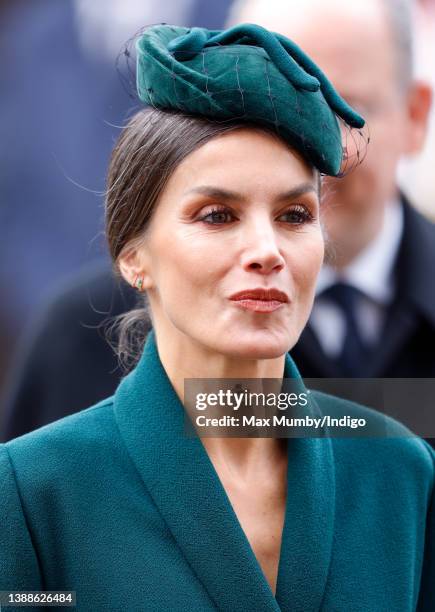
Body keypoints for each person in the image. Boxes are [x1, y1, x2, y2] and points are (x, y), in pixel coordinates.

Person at [1, 24, 434, 610]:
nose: (267, 250)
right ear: (134, 257)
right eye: (216, 215)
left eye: (295, 215)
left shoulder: (399, 473)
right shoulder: (34, 491)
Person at [3, 0, 435, 442]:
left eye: (342, 108)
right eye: (261, 110)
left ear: (415, 116)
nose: (308, 149)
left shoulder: (404, 471)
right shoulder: (83, 338)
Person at [228, 0, 435, 378]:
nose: (316, 152)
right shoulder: (103, 341)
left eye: (347, 109)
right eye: (277, 109)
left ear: (414, 117)